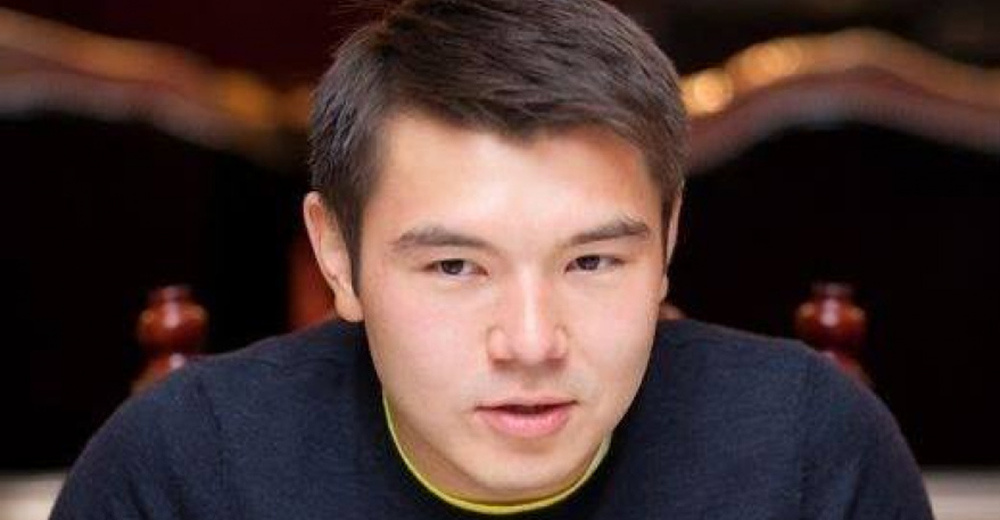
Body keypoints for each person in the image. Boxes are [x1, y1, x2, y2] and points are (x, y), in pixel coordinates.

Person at [50, 0, 934, 518]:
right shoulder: (187, 473)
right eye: (455, 268)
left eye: (592, 262)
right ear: (337, 257)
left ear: (667, 241)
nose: (532, 343)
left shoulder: (808, 452)